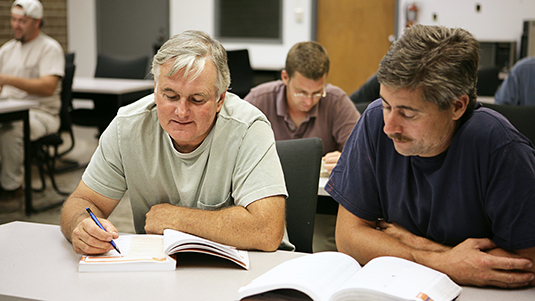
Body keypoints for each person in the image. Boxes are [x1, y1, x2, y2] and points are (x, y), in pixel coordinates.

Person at [326, 24, 535, 288]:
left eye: (409, 114)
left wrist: (409, 244)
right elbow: (348, 237)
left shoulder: (499, 146)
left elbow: (527, 263)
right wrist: (441, 260)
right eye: (387, 105)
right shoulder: (374, 121)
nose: (389, 127)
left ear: (457, 106)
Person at [60, 30, 293, 255]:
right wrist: (81, 226)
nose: (181, 111)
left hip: (246, 273)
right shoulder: (128, 126)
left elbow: (267, 230)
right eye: (170, 96)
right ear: (155, 89)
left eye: (197, 99)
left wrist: (177, 219)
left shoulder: (248, 128)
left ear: (220, 99)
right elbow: (84, 201)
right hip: (162, 268)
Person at [244, 41, 360, 174]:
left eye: (317, 93)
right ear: (285, 77)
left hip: (321, 192)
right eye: (301, 92)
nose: (309, 101)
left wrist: (349, 160)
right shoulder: (259, 99)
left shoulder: (336, 100)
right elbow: (232, 146)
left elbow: (363, 151)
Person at [0, 0, 65, 211]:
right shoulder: (7, 50)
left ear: (36, 22)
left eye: (22, 21)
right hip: (8, 108)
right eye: (14, 19)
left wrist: (7, 79)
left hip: (41, 114)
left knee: (11, 129)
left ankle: (12, 189)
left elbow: (48, 87)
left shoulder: (49, 48)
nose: (16, 25)